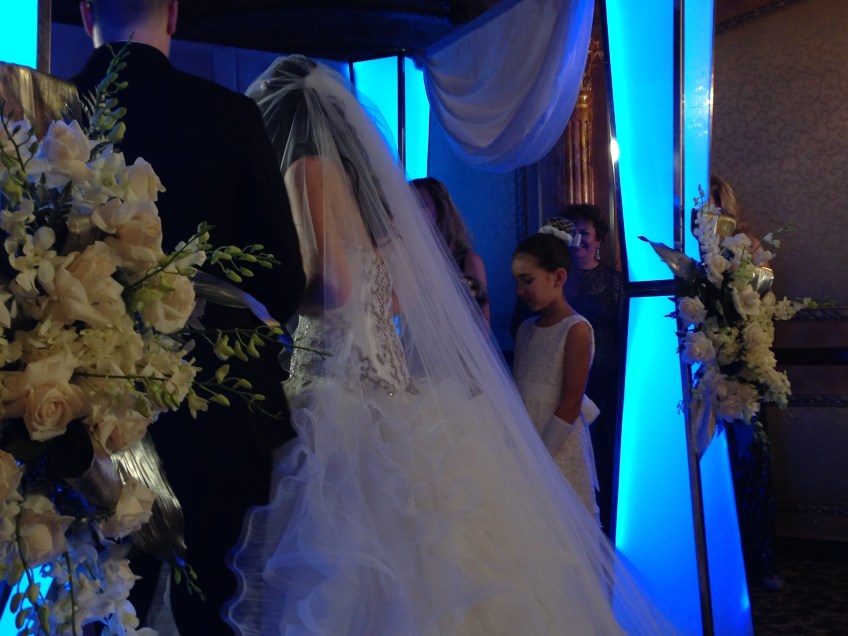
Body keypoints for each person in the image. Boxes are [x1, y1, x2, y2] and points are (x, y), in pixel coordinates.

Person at [225, 55, 675, 635]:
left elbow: (333, 286)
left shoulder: (304, 171)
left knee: (344, 548)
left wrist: (264, 297)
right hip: (390, 383)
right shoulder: (364, 192)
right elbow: (392, 297)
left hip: (335, 382)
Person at [71, 1, 306, 632]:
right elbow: (282, 280)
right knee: (215, 606)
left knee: (93, 602)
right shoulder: (229, 115)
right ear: (173, 13)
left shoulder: (46, 111)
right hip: (215, 414)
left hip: (78, 421)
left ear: (87, 11)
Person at [512, 218, 600, 521]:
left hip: (554, 443)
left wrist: (540, 457)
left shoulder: (576, 329)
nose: (520, 291)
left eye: (528, 281)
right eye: (517, 282)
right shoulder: (525, 328)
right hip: (522, 433)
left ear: (558, 277)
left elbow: (570, 404)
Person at [563, 204, 625, 536]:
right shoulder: (557, 278)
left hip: (604, 386)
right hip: (564, 382)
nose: (577, 239)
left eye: (584, 233)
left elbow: (623, 334)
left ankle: (605, 530)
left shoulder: (615, 283)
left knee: (603, 456)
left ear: (598, 238)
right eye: (571, 232)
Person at [411, 176, 490, 322]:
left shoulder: (468, 261)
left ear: (440, 210)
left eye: (421, 205)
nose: (413, 211)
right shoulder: (404, 257)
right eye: (410, 204)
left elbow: (482, 322)